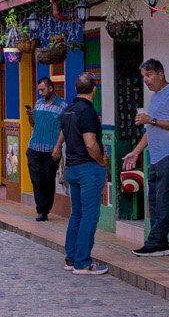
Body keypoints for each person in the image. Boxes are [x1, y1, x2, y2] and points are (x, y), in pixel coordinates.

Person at [121, 58, 169, 257]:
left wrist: (153, 120)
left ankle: (155, 243)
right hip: (156, 157)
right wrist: (136, 151)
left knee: (164, 201)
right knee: (155, 202)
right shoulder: (155, 97)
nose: (146, 80)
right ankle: (161, 243)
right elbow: (149, 131)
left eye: (149, 75)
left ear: (160, 74)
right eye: (143, 77)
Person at [60, 73, 110, 275]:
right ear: (94, 90)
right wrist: (100, 161)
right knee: (89, 215)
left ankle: (71, 259)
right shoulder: (87, 111)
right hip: (88, 168)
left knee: (77, 215)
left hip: (71, 167)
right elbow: (90, 142)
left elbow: (63, 137)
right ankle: (82, 262)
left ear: (75, 89)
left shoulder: (67, 110)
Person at [26, 76, 65, 222]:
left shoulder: (62, 106)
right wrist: (30, 116)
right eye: (39, 90)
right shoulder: (39, 103)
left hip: (51, 150)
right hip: (34, 148)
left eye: (42, 90)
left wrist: (58, 147)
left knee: (48, 180)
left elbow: (64, 129)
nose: (40, 93)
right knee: (37, 180)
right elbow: (34, 124)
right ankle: (41, 210)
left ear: (51, 88)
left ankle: (46, 208)